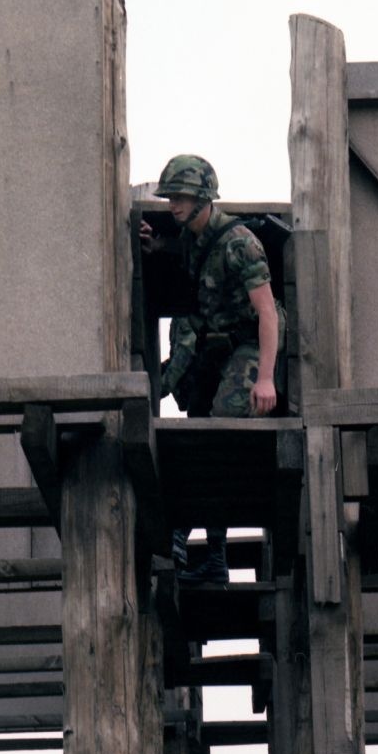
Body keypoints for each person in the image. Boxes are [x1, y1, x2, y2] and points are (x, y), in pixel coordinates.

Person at [141, 154, 285, 584]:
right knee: (198, 421)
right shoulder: (193, 237)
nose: (172, 204)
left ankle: (182, 530)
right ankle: (215, 556)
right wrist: (157, 247)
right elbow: (187, 256)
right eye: (169, 197)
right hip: (219, 345)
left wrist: (264, 378)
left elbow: (268, 314)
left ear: (203, 196)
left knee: (222, 425)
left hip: (250, 343)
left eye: (181, 196)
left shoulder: (240, 242)